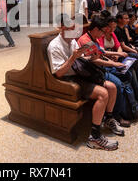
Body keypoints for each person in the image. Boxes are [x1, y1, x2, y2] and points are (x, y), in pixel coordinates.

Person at [47, 14, 119, 150]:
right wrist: (73, 57)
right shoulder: (54, 46)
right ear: (62, 28)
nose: (74, 32)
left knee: (112, 87)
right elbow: (59, 73)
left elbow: (81, 61)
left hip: (79, 74)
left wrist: (91, 57)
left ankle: (108, 119)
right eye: (71, 28)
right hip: (68, 80)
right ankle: (95, 137)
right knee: (103, 94)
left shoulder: (72, 41)